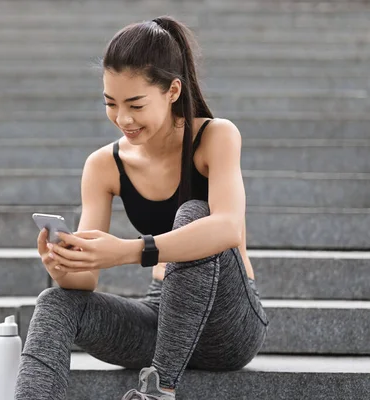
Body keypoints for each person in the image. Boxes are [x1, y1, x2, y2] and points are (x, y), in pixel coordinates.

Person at [14, 15, 269, 400]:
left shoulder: (215, 136)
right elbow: (86, 283)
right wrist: (65, 266)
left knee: (194, 214)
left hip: (228, 325)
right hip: (158, 318)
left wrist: (132, 250)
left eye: (135, 103)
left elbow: (228, 227)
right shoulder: (103, 165)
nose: (123, 119)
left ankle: (159, 390)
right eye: (111, 104)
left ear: (172, 91)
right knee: (55, 302)